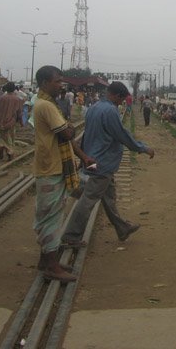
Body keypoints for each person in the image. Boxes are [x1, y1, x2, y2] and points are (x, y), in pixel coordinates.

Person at [62, 81, 155, 247]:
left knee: (109, 197)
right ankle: (71, 234)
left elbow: (86, 134)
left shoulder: (94, 108)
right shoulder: (110, 111)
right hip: (102, 163)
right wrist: (142, 148)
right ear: (117, 96)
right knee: (88, 198)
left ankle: (122, 228)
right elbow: (122, 135)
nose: (121, 103)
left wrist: (84, 157)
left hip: (93, 160)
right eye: (121, 99)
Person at [31, 66, 94, 284]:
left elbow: (65, 136)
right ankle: (51, 266)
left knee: (52, 215)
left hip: (52, 165)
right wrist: (70, 127)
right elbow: (67, 133)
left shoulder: (46, 104)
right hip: (50, 168)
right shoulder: (47, 106)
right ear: (45, 83)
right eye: (58, 81)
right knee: (51, 218)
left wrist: (83, 157)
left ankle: (46, 261)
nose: (61, 85)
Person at [0, 81, 24, 160]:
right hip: (11, 122)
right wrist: (21, 122)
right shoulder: (17, 99)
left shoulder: (1, 98)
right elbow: (19, 112)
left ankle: (1, 149)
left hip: (1, 121)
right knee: (10, 138)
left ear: (6, 89)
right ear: (14, 89)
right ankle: (10, 153)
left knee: (2, 137)